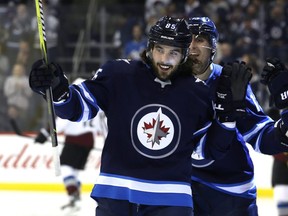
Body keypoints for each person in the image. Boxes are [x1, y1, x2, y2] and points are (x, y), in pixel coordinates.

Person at [28, 16, 250, 216]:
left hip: (171, 202)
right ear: (150, 47)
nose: (165, 59)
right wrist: (58, 92)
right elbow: (78, 109)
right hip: (115, 194)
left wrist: (226, 119)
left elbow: (206, 152)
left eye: (173, 52)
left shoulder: (197, 93)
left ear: (184, 55)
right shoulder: (119, 75)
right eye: (160, 49)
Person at [185, 16, 288, 216]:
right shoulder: (168, 85)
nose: (192, 47)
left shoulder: (231, 82)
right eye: (187, 40)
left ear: (213, 47)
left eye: (199, 40)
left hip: (232, 195)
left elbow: (262, 139)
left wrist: (285, 113)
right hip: (185, 191)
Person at [33, 78, 107, 214]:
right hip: (89, 141)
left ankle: (73, 196)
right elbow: (100, 126)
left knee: (66, 167)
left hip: (75, 139)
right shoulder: (94, 102)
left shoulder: (74, 101)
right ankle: (75, 199)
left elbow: (60, 123)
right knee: (75, 171)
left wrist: (44, 133)